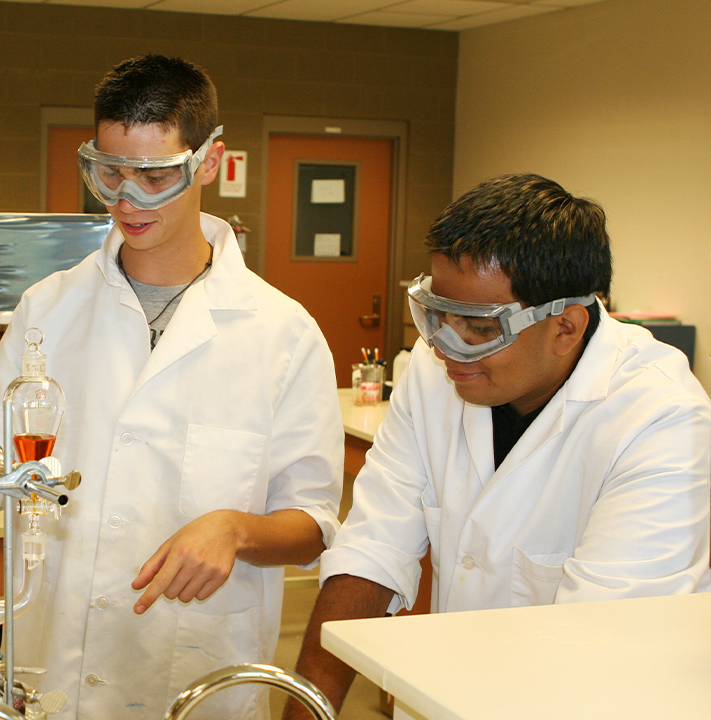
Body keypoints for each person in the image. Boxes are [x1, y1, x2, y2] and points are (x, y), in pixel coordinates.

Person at [0, 55, 343, 719]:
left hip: (198, 673)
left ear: (210, 163)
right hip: (58, 670)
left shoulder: (283, 333)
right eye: (110, 172)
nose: (127, 199)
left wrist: (236, 531)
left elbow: (311, 524)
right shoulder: (50, 308)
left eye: (156, 176)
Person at [288, 174, 711, 717]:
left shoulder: (661, 421)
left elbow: (598, 649)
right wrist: (306, 710)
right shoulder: (435, 374)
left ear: (566, 327)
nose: (444, 347)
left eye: (479, 329)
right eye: (435, 315)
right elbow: (373, 549)